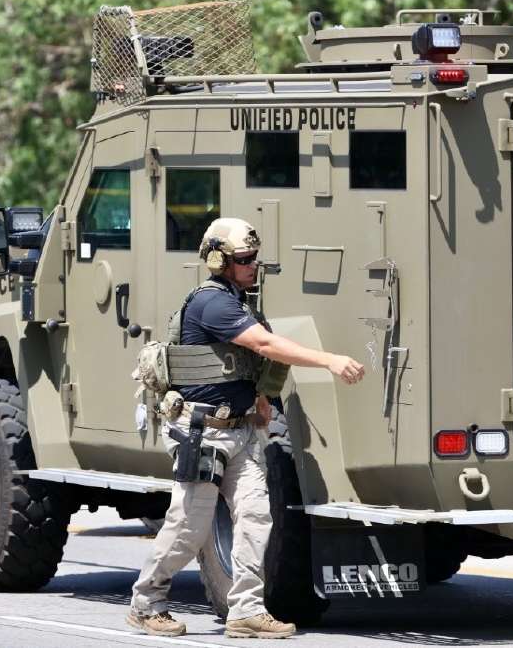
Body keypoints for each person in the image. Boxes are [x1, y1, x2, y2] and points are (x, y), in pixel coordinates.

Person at [127, 217, 365, 639]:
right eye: (244, 259)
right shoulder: (212, 303)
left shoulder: (239, 302)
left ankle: (246, 610)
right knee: (188, 528)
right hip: (202, 431)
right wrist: (329, 360)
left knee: (257, 519)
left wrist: (260, 401)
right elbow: (266, 345)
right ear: (219, 260)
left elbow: (254, 362)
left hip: (239, 433)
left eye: (255, 258)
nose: (254, 266)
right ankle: (146, 603)